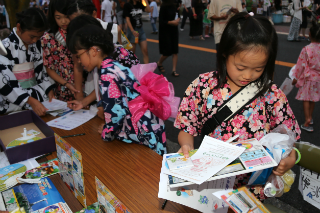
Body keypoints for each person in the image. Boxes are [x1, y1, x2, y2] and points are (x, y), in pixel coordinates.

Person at [174, 12, 301, 201]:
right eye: (240, 67)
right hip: (211, 186)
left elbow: (290, 139)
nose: (248, 75)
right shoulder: (203, 86)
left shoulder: (271, 94)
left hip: (252, 191)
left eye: (259, 69)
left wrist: (291, 157)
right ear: (225, 53)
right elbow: (186, 128)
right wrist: (186, 146)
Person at [69, 24, 167, 155]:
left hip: (142, 128)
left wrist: (107, 132)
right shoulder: (112, 64)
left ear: (92, 51)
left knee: (149, 166)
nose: (79, 61)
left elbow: (116, 112)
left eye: (78, 55)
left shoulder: (106, 74)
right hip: (149, 122)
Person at [0, 8, 55, 116]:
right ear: (19, 27)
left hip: (35, 96)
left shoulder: (37, 44)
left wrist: (49, 90)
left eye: (38, 37)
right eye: (32, 36)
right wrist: (28, 100)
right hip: (13, 100)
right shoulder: (5, 47)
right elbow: (5, 81)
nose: (35, 40)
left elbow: (40, 71)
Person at [41, 0, 79, 102]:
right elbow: (49, 68)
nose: (63, 21)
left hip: (83, 86)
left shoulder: (80, 33)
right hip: (61, 89)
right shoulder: (48, 38)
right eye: (58, 18)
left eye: (66, 16)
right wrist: (66, 84)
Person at [292, 21, 320, 132]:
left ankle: (307, 120)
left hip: (308, 78)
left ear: (310, 35)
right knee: (313, 98)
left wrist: (295, 78)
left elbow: (300, 65)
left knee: (306, 99)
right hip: (318, 78)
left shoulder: (307, 49)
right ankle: (311, 117)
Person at [157, 0, 180, 77]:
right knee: (167, 51)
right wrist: (171, 22)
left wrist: (177, 20)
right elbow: (161, 20)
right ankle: (159, 62)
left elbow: (178, 15)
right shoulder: (163, 6)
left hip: (174, 30)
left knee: (175, 51)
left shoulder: (174, 5)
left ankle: (174, 70)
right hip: (165, 31)